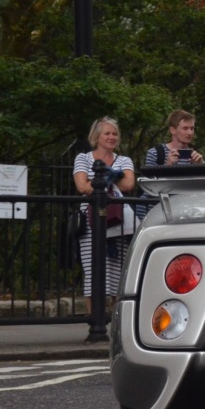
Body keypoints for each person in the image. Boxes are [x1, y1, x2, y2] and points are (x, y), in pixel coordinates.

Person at [74, 116, 136, 315]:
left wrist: (101, 179)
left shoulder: (124, 160)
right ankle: (95, 321)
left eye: (115, 133)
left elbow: (129, 184)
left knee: (119, 272)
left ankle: (117, 320)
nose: (111, 137)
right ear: (97, 136)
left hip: (119, 220)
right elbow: (82, 186)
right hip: (92, 219)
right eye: (107, 133)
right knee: (94, 270)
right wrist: (112, 176)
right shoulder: (83, 158)